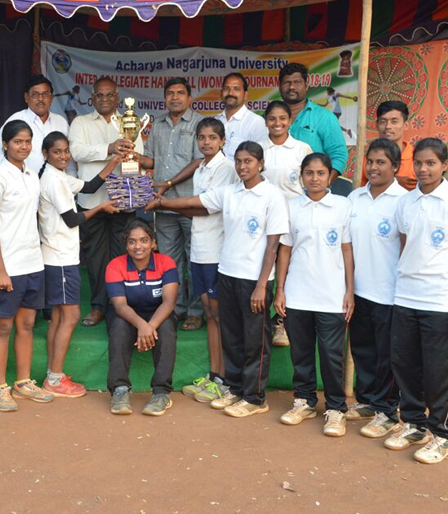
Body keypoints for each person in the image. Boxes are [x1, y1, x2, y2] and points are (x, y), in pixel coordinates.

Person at [149, 142, 288, 418]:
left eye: (248, 161)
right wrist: (162, 202)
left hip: (254, 280)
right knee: (233, 337)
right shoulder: (231, 192)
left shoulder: (272, 196)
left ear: (260, 164)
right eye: (238, 161)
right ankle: (235, 389)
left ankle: (255, 397)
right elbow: (194, 203)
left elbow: (274, 246)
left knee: (255, 340)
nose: (242, 166)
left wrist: (262, 285)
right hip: (228, 272)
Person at [146, 118, 237, 403]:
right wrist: (166, 203)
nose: (206, 142)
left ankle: (225, 380)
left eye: (212, 137)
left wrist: (161, 202)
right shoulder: (200, 168)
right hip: (199, 250)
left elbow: (204, 207)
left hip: (217, 251)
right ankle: (214, 377)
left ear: (223, 141)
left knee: (219, 315)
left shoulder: (226, 168)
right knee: (210, 314)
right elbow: (194, 210)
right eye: (202, 137)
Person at [274, 153, 354, 437]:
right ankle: (304, 401)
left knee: (332, 356)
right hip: (297, 294)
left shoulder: (343, 206)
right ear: (301, 176)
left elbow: (346, 250)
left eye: (320, 173)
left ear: (330, 176)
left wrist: (350, 290)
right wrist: (280, 289)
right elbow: (285, 250)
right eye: (309, 173)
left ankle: (335, 408)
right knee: (301, 352)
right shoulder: (292, 206)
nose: (314, 178)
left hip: (332, 295)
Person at [38, 132, 121, 397]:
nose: (63, 156)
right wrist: (101, 209)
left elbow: (89, 186)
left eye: (65, 151)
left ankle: (54, 373)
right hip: (59, 257)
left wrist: (115, 160)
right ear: (45, 154)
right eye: (57, 152)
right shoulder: (52, 180)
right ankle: (54, 378)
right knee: (71, 315)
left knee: (60, 317)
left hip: (61, 257)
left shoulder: (59, 176)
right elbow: (73, 219)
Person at [0, 120, 54, 412]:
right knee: (2, 327)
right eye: (17, 142)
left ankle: (23, 382)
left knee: (26, 325)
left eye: (27, 141)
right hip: (7, 266)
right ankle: (0, 387)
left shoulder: (32, 175)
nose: (23, 147)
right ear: (5, 145)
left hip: (32, 263)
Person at [385, 138, 448, 464]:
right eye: (419, 163)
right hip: (406, 295)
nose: (423, 169)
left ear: (444, 165)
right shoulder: (405, 203)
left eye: (431, 163)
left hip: (439, 300)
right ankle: (413, 423)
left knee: (437, 370)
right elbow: (408, 246)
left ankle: (441, 433)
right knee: (406, 364)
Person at [68, 77, 142, 327]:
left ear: (117, 97)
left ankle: (122, 305)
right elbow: (76, 152)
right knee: (96, 257)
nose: (105, 99)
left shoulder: (129, 122)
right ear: (93, 97)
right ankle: (99, 306)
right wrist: (110, 148)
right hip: (92, 202)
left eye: (109, 95)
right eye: (100, 95)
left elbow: (137, 159)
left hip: (122, 200)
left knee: (124, 255)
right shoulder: (80, 122)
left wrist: (130, 167)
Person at [347, 139, 407, 435]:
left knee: (388, 354)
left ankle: (387, 411)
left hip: (390, 293)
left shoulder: (404, 201)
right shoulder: (355, 198)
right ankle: (368, 401)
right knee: (363, 349)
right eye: (370, 161)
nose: (373, 167)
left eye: (381, 162)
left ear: (395, 167)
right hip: (359, 291)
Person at [138, 77, 204, 331]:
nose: (174, 98)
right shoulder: (157, 125)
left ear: (189, 98)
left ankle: (196, 311)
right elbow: (151, 161)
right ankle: (175, 308)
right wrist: (132, 155)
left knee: (194, 258)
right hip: (162, 206)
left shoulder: (199, 124)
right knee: (169, 261)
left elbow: (198, 161)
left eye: (180, 93)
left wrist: (168, 182)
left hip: (189, 205)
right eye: (170, 93)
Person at [105, 218, 179, 416]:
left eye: (144, 240)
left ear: (153, 243)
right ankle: (119, 390)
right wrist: (141, 325)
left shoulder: (166, 263)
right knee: (119, 326)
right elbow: (119, 305)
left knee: (166, 328)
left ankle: (161, 392)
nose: (138, 246)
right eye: (132, 241)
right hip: (128, 314)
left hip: (157, 313)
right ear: (126, 244)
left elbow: (169, 302)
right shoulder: (115, 265)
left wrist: (150, 326)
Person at [260, 100, 313, 348]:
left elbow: (309, 184)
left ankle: (282, 322)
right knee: (266, 270)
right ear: (266, 121)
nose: (277, 123)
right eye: (272, 118)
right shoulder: (259, 149)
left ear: (290, 121)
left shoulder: (302, 149)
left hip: (293, 218)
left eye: (283, 118)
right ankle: (263, 320)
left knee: (289, 270)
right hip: (263, 220)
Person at [278, 63, 348, 186]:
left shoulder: (325, 117)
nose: (292, 87)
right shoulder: (271, 120)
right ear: (279, 87)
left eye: (297, 82)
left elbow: (339, 154)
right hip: (277, 191)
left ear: (306, 86)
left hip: (311, 195)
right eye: (287, 82)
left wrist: (323, 186)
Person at [0, 75, 70, 175]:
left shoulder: (61, 122)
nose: (40, 99)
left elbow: (70, 161)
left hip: (56, 186)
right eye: (35, 95)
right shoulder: (15, 120)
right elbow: (1, 159)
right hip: (24, 187)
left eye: (45, 94)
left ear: (51, 97)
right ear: (26, 97)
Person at [361, 101, 416, 190]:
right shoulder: (368, 160)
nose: (388, 126)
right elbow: (362, 192)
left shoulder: (416, 158)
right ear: (377, 125)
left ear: (405, 125)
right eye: (383, 121)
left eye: (394, 121)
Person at [216, 72, 268, 161]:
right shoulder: (215, 121)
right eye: (226, 88)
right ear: (221, 93)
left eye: (236, 89)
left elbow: (260, 158)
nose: (230, 93)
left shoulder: (256, 122)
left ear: (245, 95)